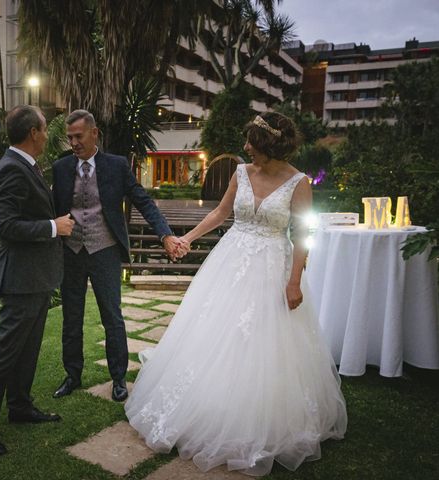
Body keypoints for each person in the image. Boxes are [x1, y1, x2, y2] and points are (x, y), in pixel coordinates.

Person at [125, 113, 347, 476]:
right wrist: (188, 239)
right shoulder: (241, 172)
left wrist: (294, 281)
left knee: (265, 342)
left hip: (274, 267)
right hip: (230, 262)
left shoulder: (298, 182)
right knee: (214, 333)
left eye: (251, 142)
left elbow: (305, 233)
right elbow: (220, 213)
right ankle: (205, 407)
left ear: (269, 145)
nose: (245, 148)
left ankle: (260, 418)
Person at [51, 109, 183, 402]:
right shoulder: (60, 168)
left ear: (94, 133)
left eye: (78, 136)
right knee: (71, 318)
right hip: (71, 252)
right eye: (70, 137)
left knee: (112, 316)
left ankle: (119, 377)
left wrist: (165, 234)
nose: (73, 142)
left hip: (105, 251)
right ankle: (72, 375)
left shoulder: (116, 165)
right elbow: (52, 208)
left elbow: (143, 201)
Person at [0, 106, 75, 455]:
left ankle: (20, 406)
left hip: (36, 277)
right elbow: (8, 226)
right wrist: (52, 227)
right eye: (44, 129)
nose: (47, 135)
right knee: (5, 354)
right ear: (32, 132)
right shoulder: (13, 169)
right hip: (21, 278)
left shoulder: (25, 165)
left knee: (27, 350)